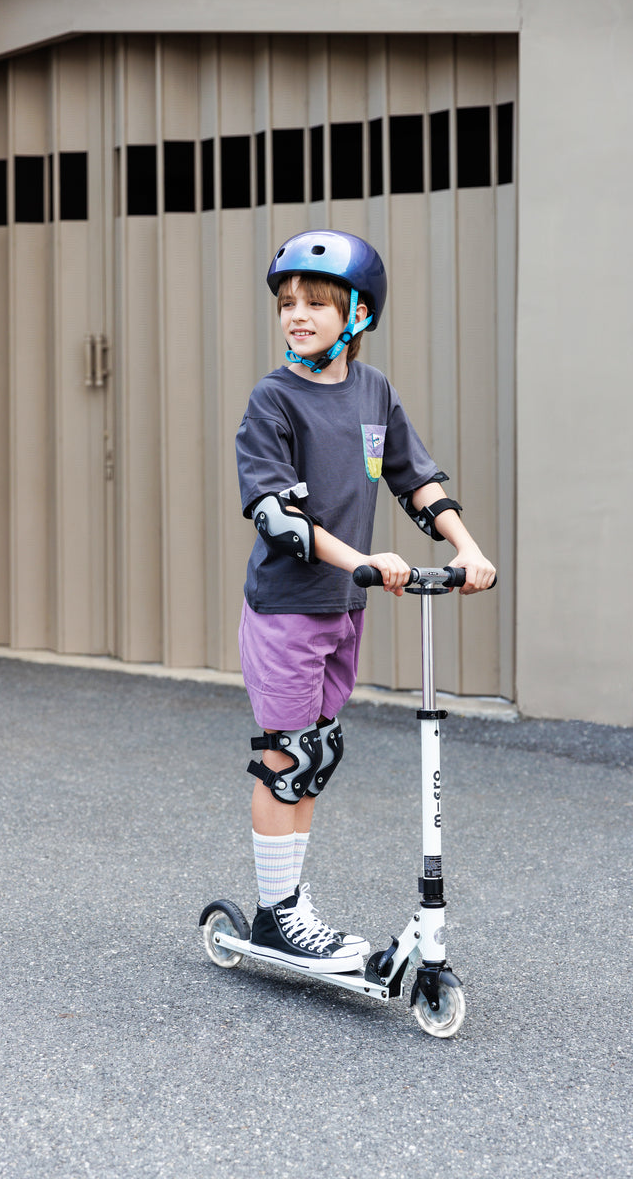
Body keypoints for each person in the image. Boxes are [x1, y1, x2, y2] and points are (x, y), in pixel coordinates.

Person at [235, 229, 496, 975]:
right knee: (286, 757)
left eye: (316, 302)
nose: (297, 314)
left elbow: (414, 478)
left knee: (317, 752)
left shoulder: (373, 390)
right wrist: (366, 561)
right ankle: (278, 916)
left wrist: (466, 548)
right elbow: (277, 515)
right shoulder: (273, 400)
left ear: (357, 314)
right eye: (287, 303)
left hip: (343, 606)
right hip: (289, 605)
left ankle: (286, 905)